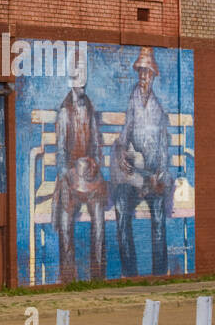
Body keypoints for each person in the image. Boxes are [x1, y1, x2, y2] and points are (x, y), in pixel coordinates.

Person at [112, 47, 173, 276]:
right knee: (120, 207)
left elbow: (164, 147)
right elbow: (126, 130)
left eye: (146, 73)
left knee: (158, 217)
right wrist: (120, 153)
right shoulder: (133, 99)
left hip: (152, 176)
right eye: (140, 72)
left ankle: (159, 274)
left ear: (153, 75)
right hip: (133, 177)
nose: (143, 77)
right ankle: (130, 274)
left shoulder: (158, 109)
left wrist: (162, 174)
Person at [51, 48, 109, 281]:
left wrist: (94, 163)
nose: (81, 80)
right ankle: (68, 280)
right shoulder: (64, 112)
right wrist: (72, 173)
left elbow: (96, 145)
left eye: (84, 74)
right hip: (70, 180)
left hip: (91, 180)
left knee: (100, 223)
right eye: (77, 75)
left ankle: (97, 277)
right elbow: (61, 157)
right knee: (65, 225)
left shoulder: (90, 109)